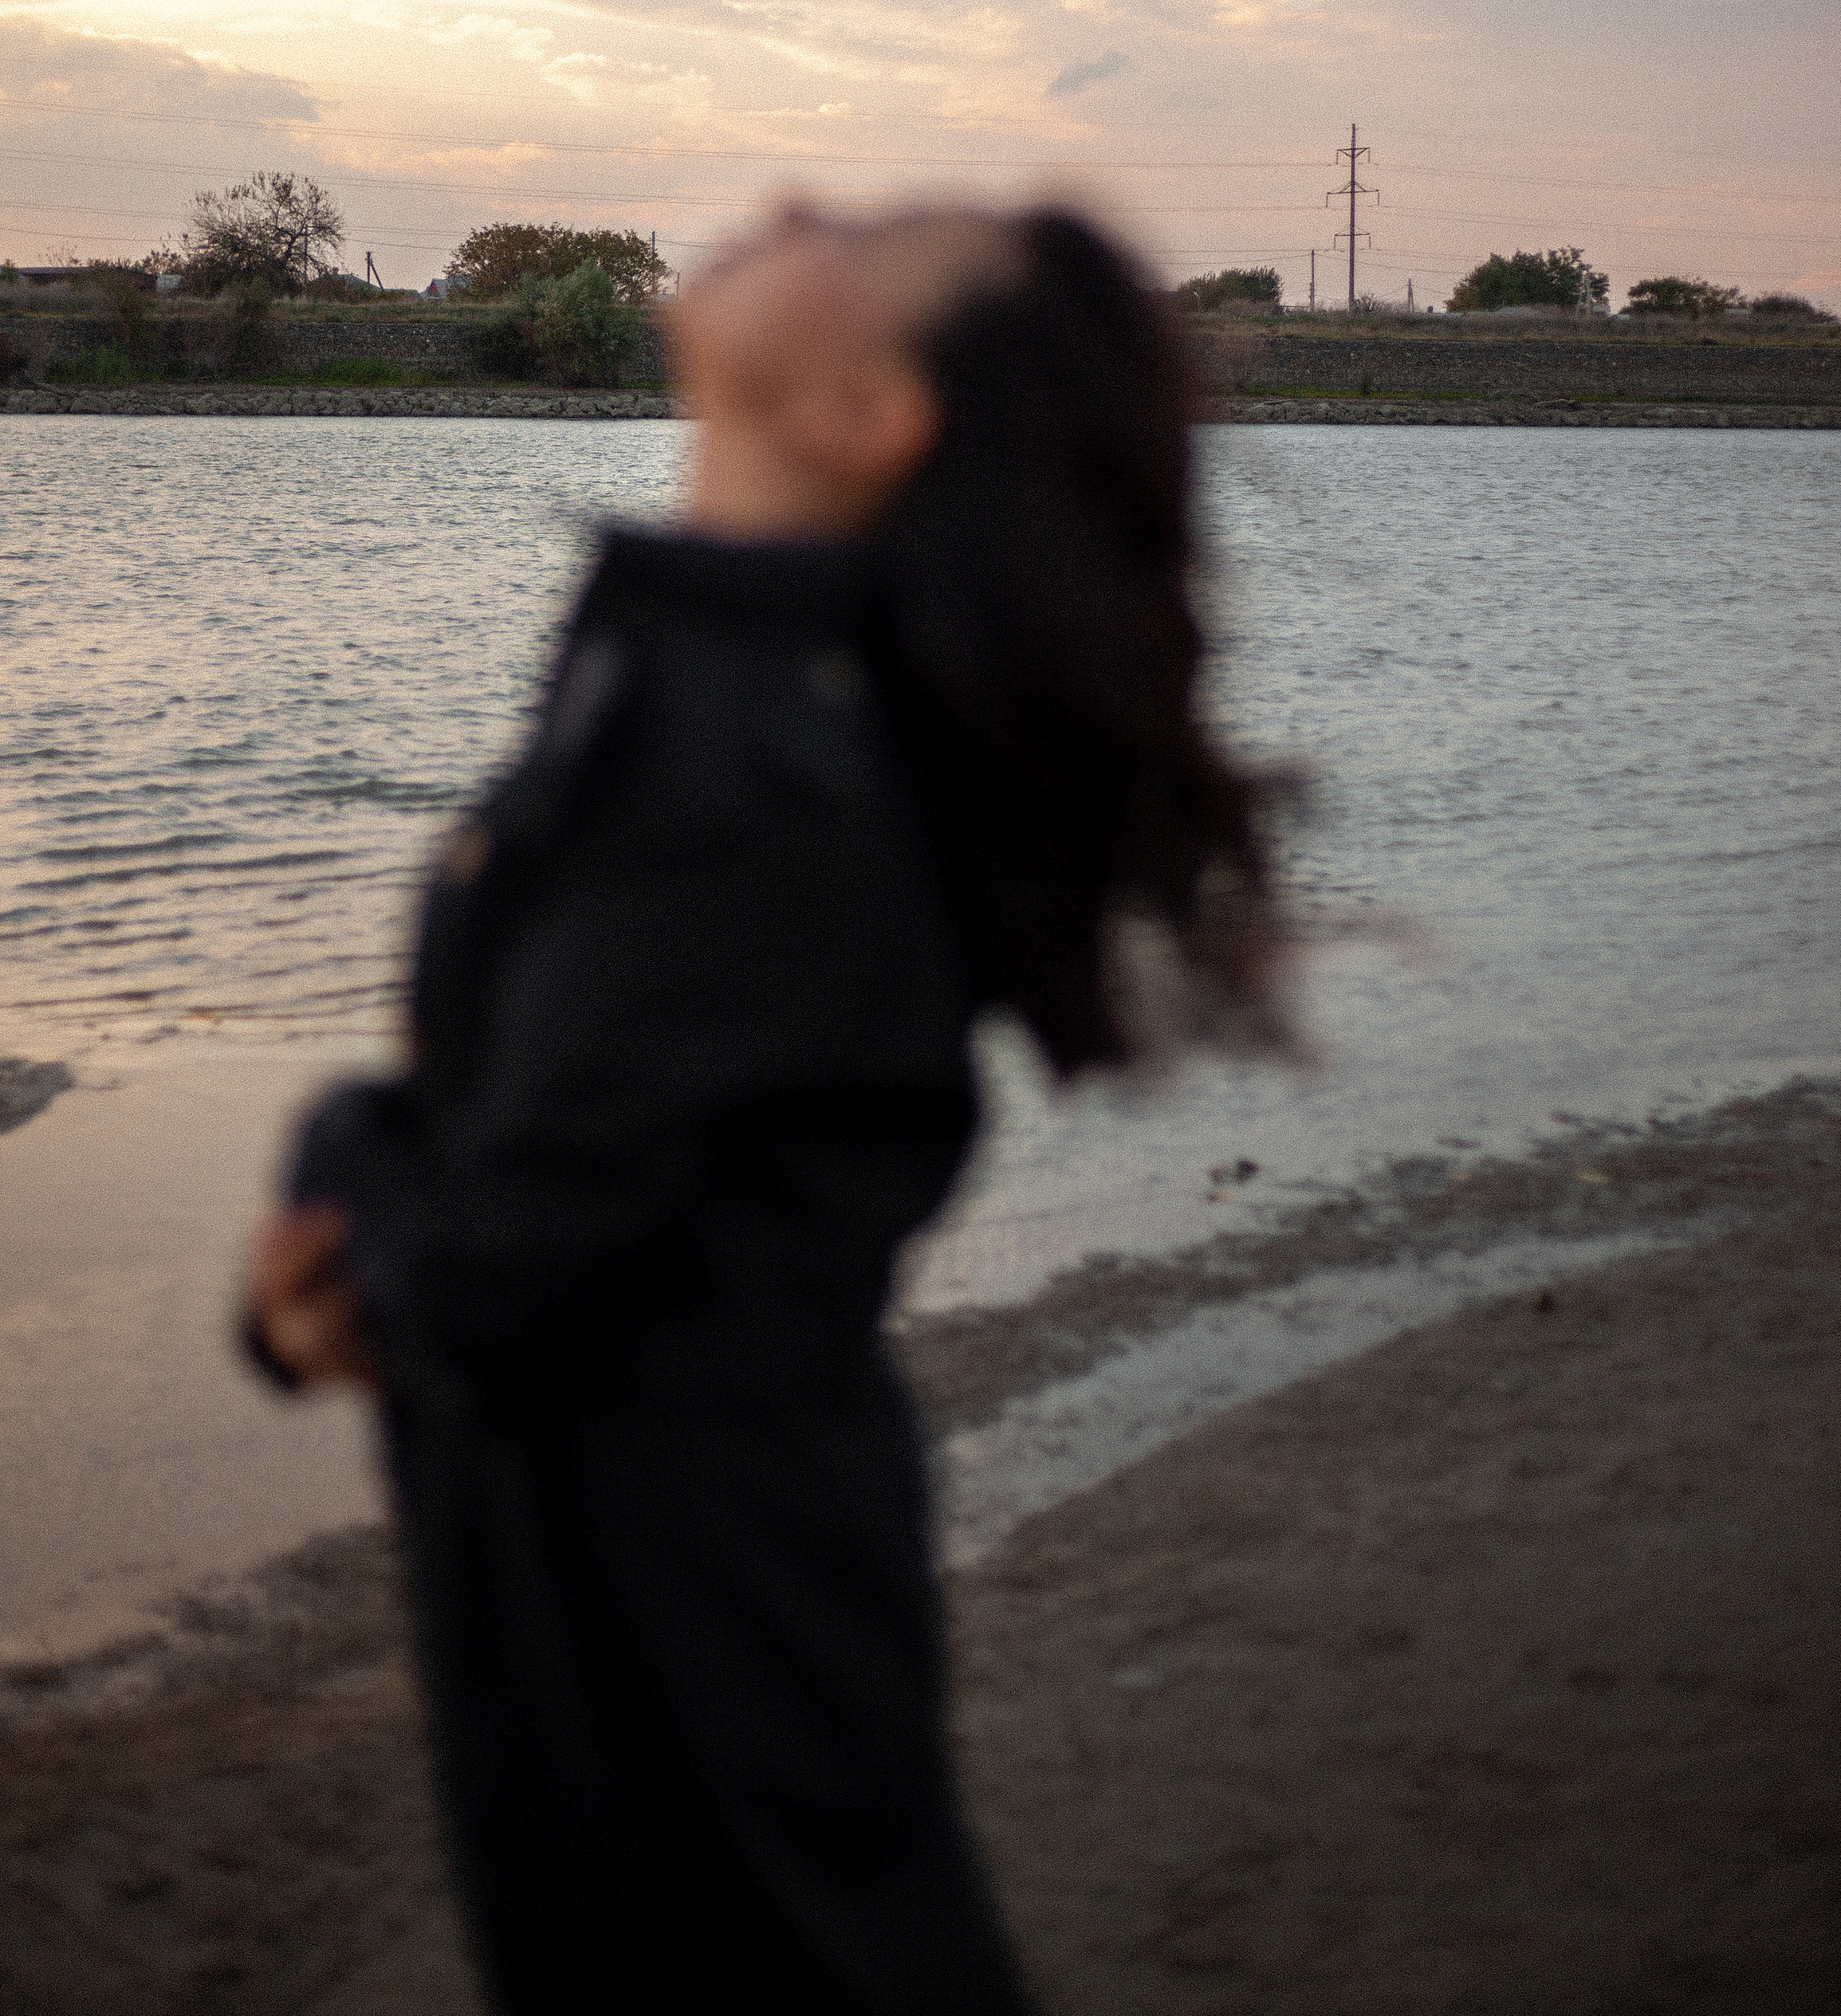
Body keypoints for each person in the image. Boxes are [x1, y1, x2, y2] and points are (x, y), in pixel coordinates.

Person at [243, 200, 1290, 2014]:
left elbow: (519, 1245)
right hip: (676, 1514)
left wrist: (337, 1233)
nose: (805, 207)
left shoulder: (747, 756)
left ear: (867, 414)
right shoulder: (724, 679)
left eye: (872, 240)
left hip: (666, 1561)